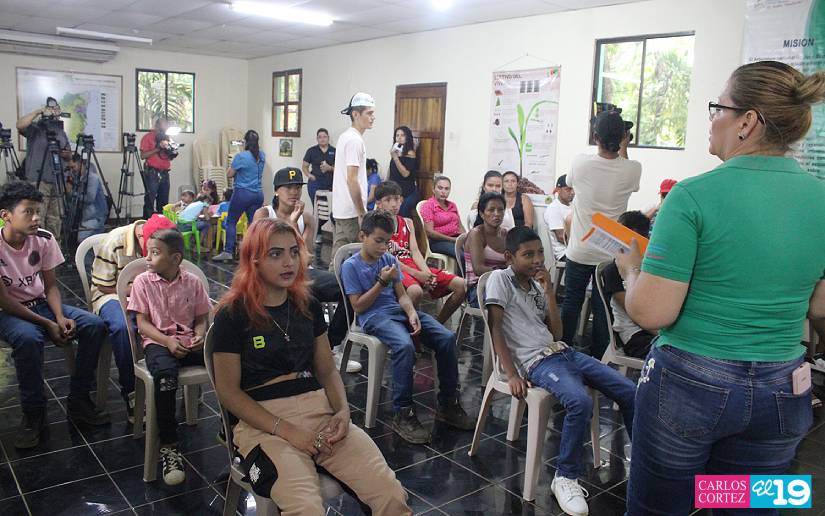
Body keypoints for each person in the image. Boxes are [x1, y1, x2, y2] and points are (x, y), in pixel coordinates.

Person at [617, 61, 825, 515]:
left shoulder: (691, 196)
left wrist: (632, 270)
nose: (712, 121)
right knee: (742, 503)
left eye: (718, 108)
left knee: (662, 507)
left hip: (690, 386)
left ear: (746, 122)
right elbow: (821, 307)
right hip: (782, 390)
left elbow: (653, 313)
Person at [211, 218, 410, 515]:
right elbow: (228, 392)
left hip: (319, 412)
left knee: (390, 494)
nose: (289, 262)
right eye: (275, 254)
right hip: (263, 423)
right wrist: (287, 430)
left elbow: (327, 370)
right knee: (305, 508)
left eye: (294, 252)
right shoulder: (233, 314)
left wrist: (342, 412)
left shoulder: (307, 305)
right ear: (254, 259)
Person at [485, 226, 635, 516]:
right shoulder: (500, 280)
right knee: (579, 402)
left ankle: (642, 461)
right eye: (528, 254)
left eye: (540, 252)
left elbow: (557, 334)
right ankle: (565, 476)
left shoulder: (537, 285)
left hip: (563, 352)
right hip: (537, 362)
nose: (537, 259)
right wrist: (512, 373)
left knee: (629, 391)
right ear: (509, 257)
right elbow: (495, 328)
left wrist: (550, 293)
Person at [341, 211, 476, 444]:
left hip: (397, 311)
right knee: (404, 346)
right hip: (373, 317)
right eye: (378, 241)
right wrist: (381, 282)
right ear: (363, 236)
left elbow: (402, 296)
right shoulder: (351, 266)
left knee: (445, 338)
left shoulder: (389, 259)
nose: (383, 247)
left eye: (387, 242)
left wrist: (412, 313)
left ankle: (448, 404)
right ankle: (403, 413)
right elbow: (359, 306)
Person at [0, 181, 109, 449]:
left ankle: (79, 400)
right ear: (6, 215)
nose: (36, 218)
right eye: (28, 212)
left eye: (37, 211)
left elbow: (50, 286)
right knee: (28, 339)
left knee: (94, 325)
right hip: (8, 311)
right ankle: (34, 414)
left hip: (41, 304)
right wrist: (47, 323)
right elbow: (4, 300)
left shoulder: (44, 239)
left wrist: (59, 317)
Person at [252, 167, 358, 373]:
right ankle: (302, 353)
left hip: (303, 272)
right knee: (303, 295)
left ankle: (329, 347)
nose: (294, 192)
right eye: (289, 188)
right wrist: (291, 223)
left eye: (298, 188)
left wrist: (295, 223)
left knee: (351, 287)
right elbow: (258, 251)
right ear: (277, 191)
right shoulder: (264, 214)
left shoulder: (306, 218)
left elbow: (306, 256)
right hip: (270, 275)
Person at [127, 228, 211, 485]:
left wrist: (199, 336)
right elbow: (142, 323)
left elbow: (201, 318)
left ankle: (232, 429)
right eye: (148, 252)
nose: (147, 258)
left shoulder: (192, 282)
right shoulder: (142, 282)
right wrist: (167, 341)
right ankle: (169, 445)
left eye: (155, 253)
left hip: (188, 341)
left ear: (175, 259)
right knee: (165, 378)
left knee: (223, 361)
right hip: (158, 343)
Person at [561, 110, 641, 360]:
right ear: (623, 137)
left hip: (579, 250)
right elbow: (626, 172)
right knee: (602, 309)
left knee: (571, 303)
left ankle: (561, 353)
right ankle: (597, 361)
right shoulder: (633, 169)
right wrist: (624, 146)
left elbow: (570, 182)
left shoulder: (580, 163)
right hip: (609, 254)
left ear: (595, 137)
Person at [90, 214, 176, 422]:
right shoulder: (114, 241)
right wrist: (134, 290)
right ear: (142, 238)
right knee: (123, 327)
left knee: (179, 317)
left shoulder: (166, 241)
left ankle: (181, 382)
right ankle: (131, 392)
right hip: (111, 294)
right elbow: (102, 284)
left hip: (151, 293)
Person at [374, 181, 466, 323]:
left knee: (462, 285)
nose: (394, 204)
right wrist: (418, 274)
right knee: (415, 291)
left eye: (397, 199)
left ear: (401, 200)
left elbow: (415, 252)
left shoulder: (408, 222)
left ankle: (437, 325)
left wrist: (427, 274)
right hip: (394, 269)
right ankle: (407, 327)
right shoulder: (376, 225)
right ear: (379, 203)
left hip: (413, 266)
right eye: (388, 200)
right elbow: (388, 259)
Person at [599, 211, 654, 359]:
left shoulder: (650, 265)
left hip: (654, 327)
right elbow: (636, 313)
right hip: (635, 335)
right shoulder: (612, 271)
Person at [17, 97, 72, 239]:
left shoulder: (60, 132)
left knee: (55, 219)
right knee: (37, 217)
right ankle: (37, 247)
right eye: (51, 108)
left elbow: (68, 155)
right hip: (38, 180)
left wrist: (65, 154)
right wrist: (39, 111)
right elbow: (20, 125)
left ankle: (54, 247)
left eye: (56, 108)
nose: (54, 111)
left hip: (57, 181)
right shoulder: (35, 128)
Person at [331, 92, 375, 262]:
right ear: (355, 114)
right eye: (369, 113)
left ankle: (330, 280)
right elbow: (352, 179)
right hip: (351, 211)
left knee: (339, 259)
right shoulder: (354, 140)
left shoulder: (346, 136)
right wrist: (361, 212)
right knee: (352, 261)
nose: (373, 117)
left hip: (343, 208)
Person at [213, 130, 265, 262]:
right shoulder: (262, 155)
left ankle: (228, 251)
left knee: (231, 221)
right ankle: (254, 252)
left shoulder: (241, 156)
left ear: (245, 142)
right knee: (253, 224)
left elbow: (229, 174)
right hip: (258, 194)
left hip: (243, 193)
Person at [465, 192, 508, 307]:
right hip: (478, 289)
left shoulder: (506, 234)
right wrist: (506, 273)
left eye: (500, 210)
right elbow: (478, 269)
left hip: (502, 284)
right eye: (491, 210)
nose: (497, 214)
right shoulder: (476, 234)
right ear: (482, 214)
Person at [419, 175, 465, 260]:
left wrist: (465, 238)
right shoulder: (428, 206)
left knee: (474, 252)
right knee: (462, 256)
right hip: (438, 242)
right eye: (440, 188)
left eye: (447, 189)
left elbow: (460, 226)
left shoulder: (452, 205)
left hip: (455, 238)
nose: (443, 192)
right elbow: (429, 232)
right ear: (433, 189)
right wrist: (451, 239)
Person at [66, 152, 109, 243]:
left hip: (95, 215)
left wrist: (71, 192)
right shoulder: (77, 178)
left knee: (82, 240)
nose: (72, 171)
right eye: (70, 168)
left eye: (73, 167)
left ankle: (99, 234)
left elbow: (89, 199)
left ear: (81, 164)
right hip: (85, 215)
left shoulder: (92, 178)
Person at [140, 117, 173, 219]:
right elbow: (143, 155)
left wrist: (172, 151)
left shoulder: (167, 137)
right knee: (150, 200)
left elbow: (169, 157)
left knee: (164, 201)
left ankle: (162, 223)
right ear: (158, 125)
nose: (167, 126)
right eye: (165, 124)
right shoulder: (148, 137)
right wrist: (158, 148)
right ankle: (147, 223)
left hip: (165, 173)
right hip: (152, 173)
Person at [387, 126, 419, 217]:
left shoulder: (410, 153)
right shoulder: (395, 151)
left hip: (408, 191)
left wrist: (395, 158)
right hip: (395, 190)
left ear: (407, 137)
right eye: (397, 135)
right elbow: (391, 171)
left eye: (402, 135)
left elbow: (405, 174)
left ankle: (405, 226)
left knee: (403, 207)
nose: (399, 138)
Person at [543, 174, 574, 262]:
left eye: (573, 189)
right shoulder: (554, 208)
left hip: (575, 248)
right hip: (564, 252)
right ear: (558, 190)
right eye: (568, 189)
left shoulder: (572, 205)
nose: (572, 193)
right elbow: (561, 237)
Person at [303, 128, 336, 203]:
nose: (322, 139)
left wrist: (330, 168)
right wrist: (309, 175)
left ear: (328, 138)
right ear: (317, 139)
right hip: (315, 182)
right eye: (320, 137)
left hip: (330, 183)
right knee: (316, 206)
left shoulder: (334, 151)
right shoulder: (311, 151)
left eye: (324, 137)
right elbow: (304, 166)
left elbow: (340, 169)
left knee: (329, 206)